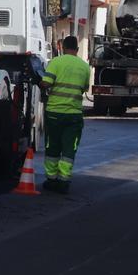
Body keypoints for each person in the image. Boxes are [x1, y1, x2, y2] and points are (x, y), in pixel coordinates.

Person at [41, 35, 90, 194]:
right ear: (77, 49)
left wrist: (40, 82)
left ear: (62, 48)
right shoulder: (85, 67)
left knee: (52, 146)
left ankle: (51, 179)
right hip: (74, 115)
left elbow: (46, 83)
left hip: (54, 113)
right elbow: (84, 88)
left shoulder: (56, 62)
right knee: (69, 149)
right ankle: (64, 181)